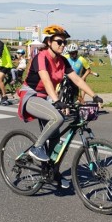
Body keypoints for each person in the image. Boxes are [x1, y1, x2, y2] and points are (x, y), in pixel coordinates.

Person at [17, 25, 103, 185]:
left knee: (56, 137)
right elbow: (46, 80)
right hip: (31, 96)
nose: (63, 45)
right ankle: (36, 148)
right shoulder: (41, 57)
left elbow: (77, 79)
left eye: (64, 42)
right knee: (57, 118)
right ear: (49, 42)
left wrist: (94, 95)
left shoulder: (62, 60)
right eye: (59, 42)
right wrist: (56, 101)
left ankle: (51, 172)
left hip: (46, 98)